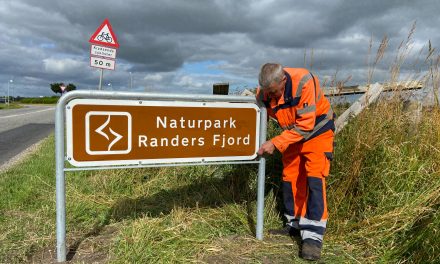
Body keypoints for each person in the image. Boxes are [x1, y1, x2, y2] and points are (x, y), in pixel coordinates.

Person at [256, 63, 335, 261]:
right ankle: (294, 224)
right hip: (291, 134)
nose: (271, 97)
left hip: (317, 131)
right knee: (290, 176)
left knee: (315, 177)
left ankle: (313, 237)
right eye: (268, 93)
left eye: (274, 92)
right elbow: (260, 117)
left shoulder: (304, 81)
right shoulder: (264, 92)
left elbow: (306, 126)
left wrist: (275, 142)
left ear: (283, 80)